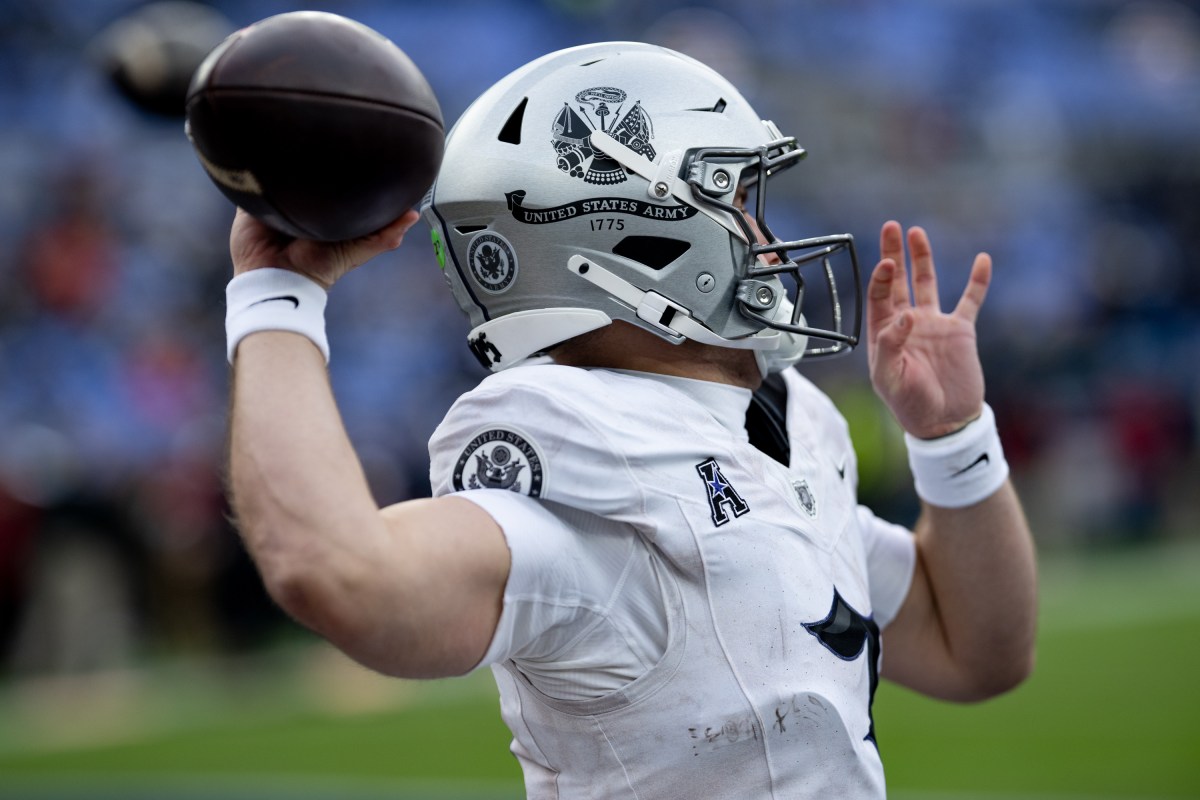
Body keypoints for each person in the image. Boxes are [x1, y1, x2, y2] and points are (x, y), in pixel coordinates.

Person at [223, 42, 1036, 798]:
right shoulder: (592, 463)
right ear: (638, 235)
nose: (767, 240)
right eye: (734, 201)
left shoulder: (776, 422)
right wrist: (277, 295)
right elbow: (340, 574)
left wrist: (953, 437)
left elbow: (977, 650)